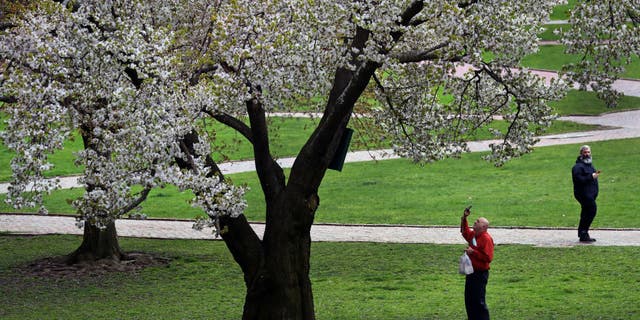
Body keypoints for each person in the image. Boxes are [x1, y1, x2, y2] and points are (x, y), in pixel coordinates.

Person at [460, 207, 494, 320]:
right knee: (469, 300)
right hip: (471, 273)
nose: (475, 221)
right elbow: (465, 232)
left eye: (478, 221)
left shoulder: (486, 239)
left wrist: (473, 252)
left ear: (484, 227)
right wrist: (464, 218)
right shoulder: (474, 234)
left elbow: (488, 258)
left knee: (478, 302)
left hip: (480, 274)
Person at [571, 145, 601, 242]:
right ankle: (583, 232)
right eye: (585, 152)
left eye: (588, 152)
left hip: (590, 195)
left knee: (586, 213)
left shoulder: (590, 165)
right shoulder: (577, 167)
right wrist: (591, 177)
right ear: (581, 153)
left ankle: (583, 233)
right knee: (592, 210)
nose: (587, 154)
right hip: (583, 194)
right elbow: (578, 180)